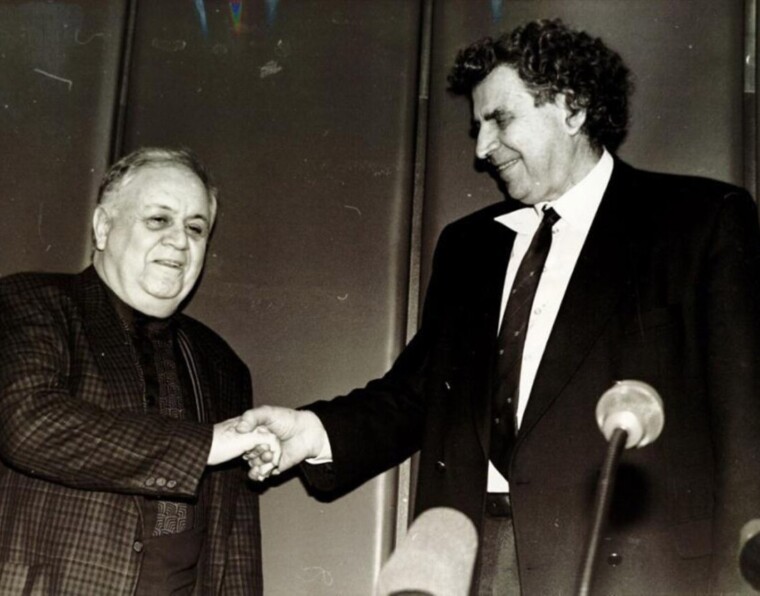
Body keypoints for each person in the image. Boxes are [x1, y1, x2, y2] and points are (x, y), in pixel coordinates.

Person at [241, 19, 760, 594]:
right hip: (475, 563)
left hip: (631, 573)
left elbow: (748, 430)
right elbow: (417, 393)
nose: (482, 149)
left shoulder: (699, 222)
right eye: (477, 128)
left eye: (500, 120)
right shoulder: (469, 247)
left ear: (572, 108)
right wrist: (313, 432)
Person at [0, 147, 271, 595]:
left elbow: (236, 545)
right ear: (104, 227)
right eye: (159, 220)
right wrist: (206, 444)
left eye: (195, 228)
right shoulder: (32, 302)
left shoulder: (224, 365)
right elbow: (29, 424)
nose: (180, 241)